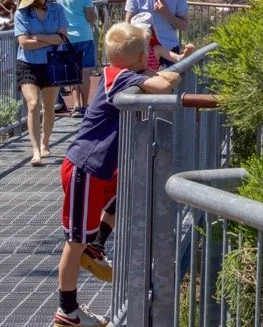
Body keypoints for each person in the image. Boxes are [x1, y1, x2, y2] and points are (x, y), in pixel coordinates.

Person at [53, 20, 181, 327]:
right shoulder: (118, 77)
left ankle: (96, 245)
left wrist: (156, 71)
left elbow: (149, 79)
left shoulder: (120, 73)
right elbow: (162, 86)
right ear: (139, 58)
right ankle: (66, 311)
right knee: (73, 242)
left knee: (124, 194)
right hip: (85, 168)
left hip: (101, 169)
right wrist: (179, 69)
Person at [14, 0, 67, 167]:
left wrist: (37, 37)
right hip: (28, 63)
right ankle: (35, 150)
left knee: (49, 106)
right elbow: (23, 43)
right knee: (33, 104)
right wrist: (48, 39)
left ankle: (45, 143)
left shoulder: (57, 9)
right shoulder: (22, 13)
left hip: (52, 62)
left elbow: (62, 37)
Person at [50, 0, 100, 115]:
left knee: (71, 73)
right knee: (85, 73)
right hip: (84, 36)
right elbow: (91, 17)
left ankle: (76, 105)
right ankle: (85, 105)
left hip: (64, 38)